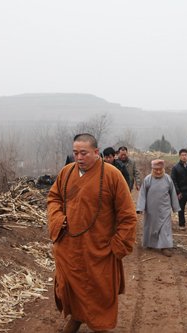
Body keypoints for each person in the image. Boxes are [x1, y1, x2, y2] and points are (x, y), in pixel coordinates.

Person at [47, 133, 137, 333]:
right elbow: (53, 198)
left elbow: (128, 215)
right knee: (70, 287)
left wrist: (118, 245)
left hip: (99, 248)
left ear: (96, 152)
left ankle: (100, 326)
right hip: (69, 247)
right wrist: (58, 220)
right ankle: (77, 317)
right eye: (75, 153)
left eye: (84, 153)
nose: (79, 157)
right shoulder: (66, 173)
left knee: (100, 291)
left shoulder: (112, 175)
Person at [136, 159, 180, 257]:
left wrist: (175, 207)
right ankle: (150, 243)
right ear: (152, 169)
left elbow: (173, 193)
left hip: (164, 209)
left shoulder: (168, 179)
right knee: (151, 227)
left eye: (160, 169)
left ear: (163, 169)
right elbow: (142, 194)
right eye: (156, 170)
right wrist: (140, 207)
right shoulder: (148, 179)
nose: (158, 171)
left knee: (165, 228)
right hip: (151, 209)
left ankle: (165, 246)